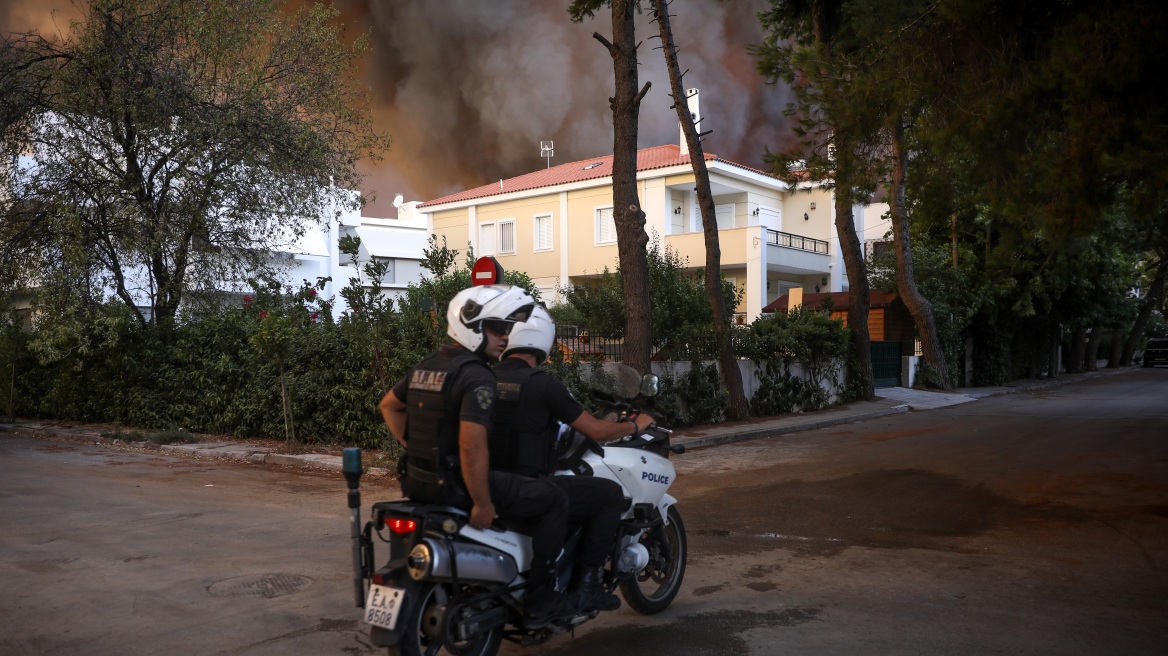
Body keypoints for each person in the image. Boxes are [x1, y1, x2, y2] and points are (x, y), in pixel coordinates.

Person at [378, 285, 576, 629]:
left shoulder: (427, 366)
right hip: (457, 485)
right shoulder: (477, 375)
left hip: (419, 482)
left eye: (506, 329)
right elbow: (472, 446)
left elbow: (389, 406)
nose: (505, 336)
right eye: (497, 328)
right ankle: (542, 597)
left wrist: (417, 447)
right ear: (471, 326)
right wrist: (483, 503)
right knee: (555, 498)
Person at [490, 306, 655, 613]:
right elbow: (596, 430)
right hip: (525, 486)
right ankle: (587, 586)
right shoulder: (543, 385)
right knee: (609, 494)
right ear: (542, 341)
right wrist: (636, 425)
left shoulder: (483, 378)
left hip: (487, 483)